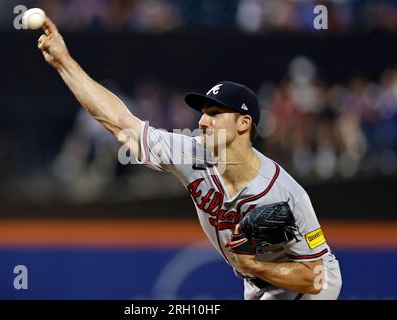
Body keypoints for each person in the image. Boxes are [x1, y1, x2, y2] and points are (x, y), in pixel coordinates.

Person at [36, 17, 342, 300]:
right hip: (259, 281)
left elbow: (315, 276)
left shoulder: (285, 194)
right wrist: (64, 62)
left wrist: (257, 267)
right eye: (202, 113)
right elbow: (119, 121)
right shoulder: (192, 153)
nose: (202, 122)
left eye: (214, 113)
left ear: (243, 124)